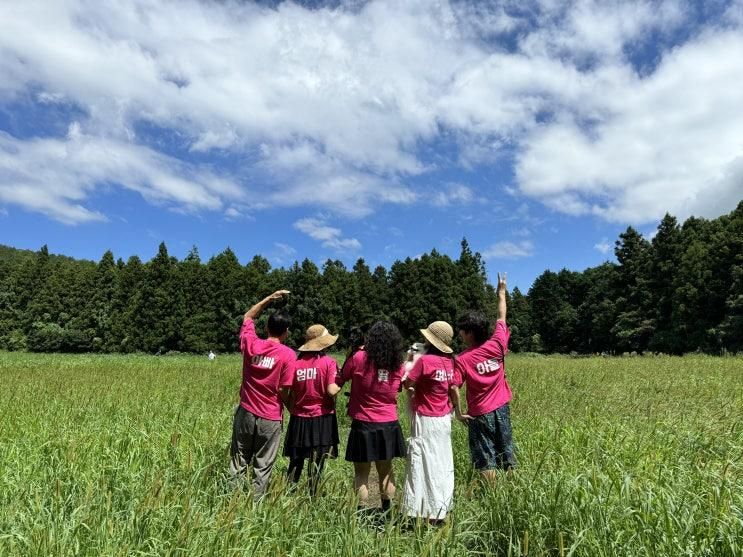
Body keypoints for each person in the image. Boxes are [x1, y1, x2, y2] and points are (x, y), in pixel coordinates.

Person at [328, 321, 406, 516]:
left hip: (363, 422)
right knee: (386, 472)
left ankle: (360, 516)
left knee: (361, 473)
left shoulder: (358, 358)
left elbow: (341, 379)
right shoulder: (397, 364)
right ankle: (387, 514)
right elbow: (398, 388)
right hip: (389, 422)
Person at [451, 273, 516, 483]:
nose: (459, 333)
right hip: (502, 408)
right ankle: (512, 493)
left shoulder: (463, 359)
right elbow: (501, 317)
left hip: (479, 414)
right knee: (507, 452)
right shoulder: (497, 343)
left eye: (462, 330)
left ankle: (492, 499)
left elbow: (453, 387)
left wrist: (459, 413)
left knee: (485, 458)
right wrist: (502, 292)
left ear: (469, 333)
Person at [230, 289, 294, 499]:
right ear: (286, 332)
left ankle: (231, 503)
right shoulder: (288, 355)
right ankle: (255, 506)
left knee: (239, 461)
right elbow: (284, 390)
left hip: (246, 412)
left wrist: (268, 299)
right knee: (263, 465)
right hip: (270, 417)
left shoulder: (252, 344)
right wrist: (291, 409)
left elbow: (248, 316)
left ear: (266, 327)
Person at [402, 322, 456, 523]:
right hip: (443, 418)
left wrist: (409, 360)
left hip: (425, 417)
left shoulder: (425, 361)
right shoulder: (449, 362)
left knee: (422, 462)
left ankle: (421, 510)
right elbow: (452, 389)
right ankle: (441, 508)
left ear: (429, 339)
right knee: (441, 463)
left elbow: (407, 382)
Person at [283, 324, 340, 496]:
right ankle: (313, 496)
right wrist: (340, 384)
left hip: (298, 417)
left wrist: (290, 407)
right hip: (322, 417)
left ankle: (288, 494)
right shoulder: (329, 363)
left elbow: (284, 390)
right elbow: (331, 390)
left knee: (296, 461)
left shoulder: (296, 363)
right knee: (317, 462)